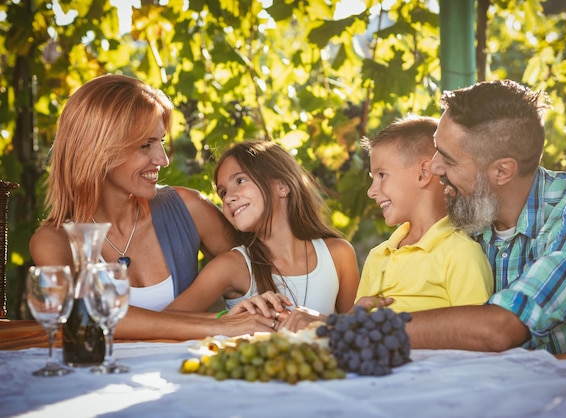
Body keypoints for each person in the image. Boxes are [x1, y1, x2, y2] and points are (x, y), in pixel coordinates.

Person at [29, 74, 273, 339]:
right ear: (97, 150)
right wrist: (217, 323)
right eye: (145, 145)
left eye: (162, 142)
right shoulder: (54, 242)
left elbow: (265, 270)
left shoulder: (187, 209)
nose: (163, 160)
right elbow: (88, 316)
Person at [415, 79, 566, 356]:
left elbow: (502, 328)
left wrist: (375, 329)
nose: (434, 166)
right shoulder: (466, 211)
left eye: (448, 159)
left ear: (502, 171)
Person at [163, 140, 360, 327]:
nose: (229, 198)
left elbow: (359, 334)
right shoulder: (233, 266)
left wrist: (321, 322)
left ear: (282, 186)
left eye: (240, 180)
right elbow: (162, 323)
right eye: (222, 193)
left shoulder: (338, 255)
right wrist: (225, 320)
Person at [354, 114, 493, 312]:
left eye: (382, 175)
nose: (371, 191)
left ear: (424, 174)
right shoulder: (378, 256)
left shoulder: (460, 254)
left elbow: (474, 333)